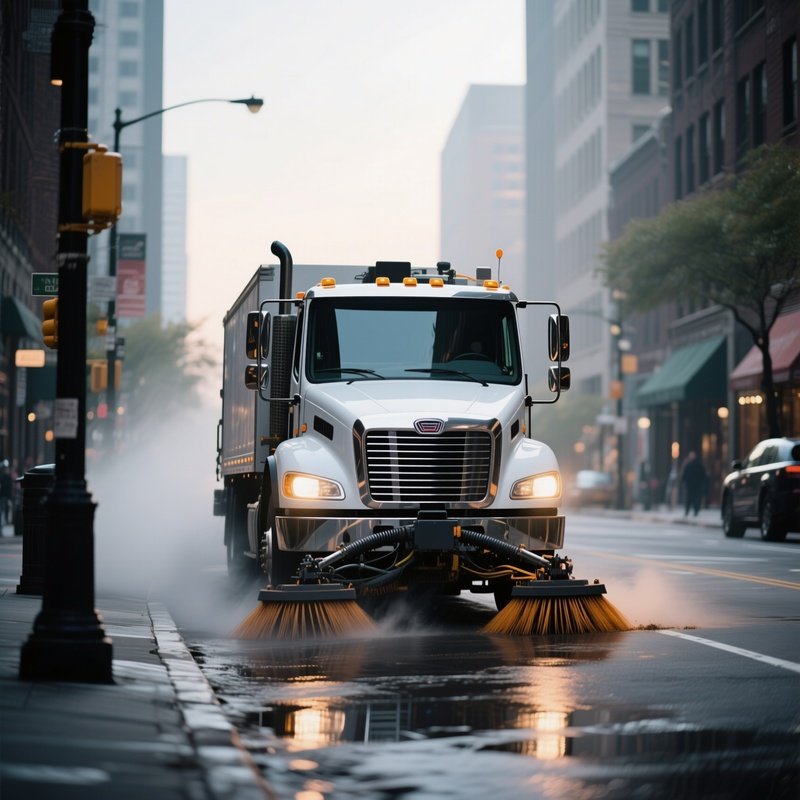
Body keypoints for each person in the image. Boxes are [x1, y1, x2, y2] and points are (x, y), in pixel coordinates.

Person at [680, 451, 707, 516]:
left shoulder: (699, 465)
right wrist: (684, 481)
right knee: (688, 499)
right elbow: (685, 474)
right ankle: (687, 511)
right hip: (689, 485)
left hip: (697, 485)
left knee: (696, 499)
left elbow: (703, 475)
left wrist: (702, 483)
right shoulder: (688, 465)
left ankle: (696, 511)